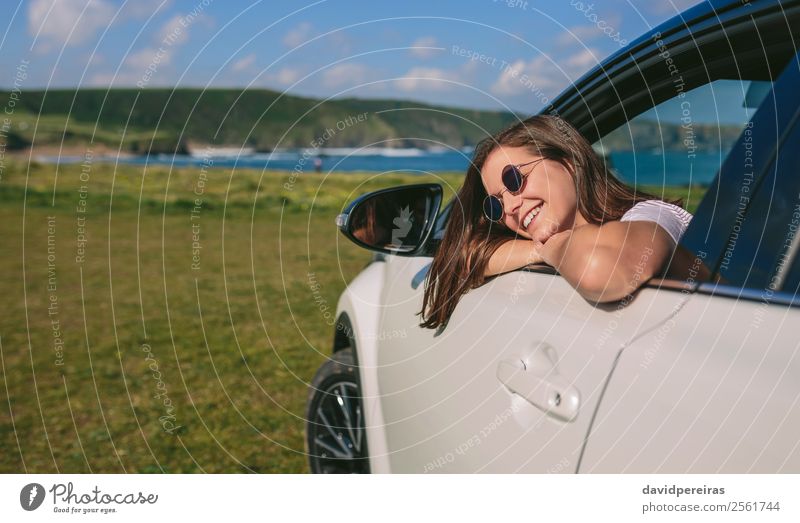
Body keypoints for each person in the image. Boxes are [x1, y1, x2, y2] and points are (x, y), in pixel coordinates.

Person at [419, 115, 693, 329]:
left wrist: (552, 245)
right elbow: (461, 259)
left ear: (568, 163)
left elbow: (599, 268)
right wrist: (538, 250)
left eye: (513, 180)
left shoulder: (654, 215)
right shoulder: (540, 245)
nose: (511, 206)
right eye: (496, 205)